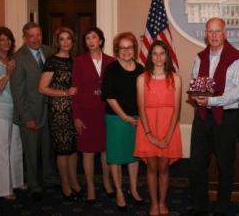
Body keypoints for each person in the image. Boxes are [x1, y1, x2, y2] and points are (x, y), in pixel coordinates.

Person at [185, 17, 239, 216]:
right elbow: (195, 81)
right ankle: (200, 206)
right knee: (196, 165)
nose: (213, 35)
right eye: (210, 31)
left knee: (225, 165)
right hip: (203, 117)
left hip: (226, 118)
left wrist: (211, 101)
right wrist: (196, 95)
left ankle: (221, 208)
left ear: (225, 33)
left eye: (217, 31)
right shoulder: (200, 57)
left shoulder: (236, 58)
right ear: (206, 34)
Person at [134, 40, 183, 216]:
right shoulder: (141, 78)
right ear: (150, 56)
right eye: (154, 53)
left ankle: (162, 202)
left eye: (162, 53)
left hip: (168, 126)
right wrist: (149, 134)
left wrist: (168, 136)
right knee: (151, 167)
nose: (158, 57)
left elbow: (177, 109)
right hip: (148, 126)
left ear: (167, 56)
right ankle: (153, 203)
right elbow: (141, 108)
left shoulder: (176, 78)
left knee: (164, 168)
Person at [10, 22, 55, 201]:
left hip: (49, 110)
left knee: (47, 148)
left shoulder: (50, 51)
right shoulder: (18, 58)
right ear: (24, 37)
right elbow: (17, 93)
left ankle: (48, 177)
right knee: (31, 152)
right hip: (30, 113)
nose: (36, 39)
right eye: (32, 36)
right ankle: (34, 185)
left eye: (39, 35)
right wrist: (26, 117)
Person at [101, 32, 144, 211]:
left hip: (137, 119)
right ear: (117, 50)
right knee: (117, 158)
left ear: (134, 49)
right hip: (116, 119)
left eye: (129, 47)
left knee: (134, 156)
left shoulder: (141, 69)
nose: (126, 51)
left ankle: (133, 189)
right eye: (122, 48)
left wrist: (140, 116)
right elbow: (109, 97)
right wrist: (125, 117)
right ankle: (119, 191)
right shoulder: (111, 69)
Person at [72, 27, 115, 202]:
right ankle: (90, 186)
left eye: (94, 37)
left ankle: (106, 182)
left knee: (106, 150)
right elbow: (75, 90)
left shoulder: (111, 61)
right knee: (88, 152)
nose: (91, 41)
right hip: (86, 112)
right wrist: (76, 116)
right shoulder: (79, 61)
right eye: (87, 38)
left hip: (106, 112)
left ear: (101, 41)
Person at [38, 27, 79, 201]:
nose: (65, 42)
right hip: (58, 110)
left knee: (73, 148)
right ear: (58, 42)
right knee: (63, 149)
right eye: (62, 39)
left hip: (75, 110)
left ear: (72, 41)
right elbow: (42, 88)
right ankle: (65, 184)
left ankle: (74, 180)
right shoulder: (52, 61)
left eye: (68, 38)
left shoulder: (76, 61)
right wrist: (64, 93)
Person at [0, 26, 24, 200]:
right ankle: (3, 189)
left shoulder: (12, 58)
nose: (6, 42)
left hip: (13, 110)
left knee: (16, 146)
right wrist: (7, 74)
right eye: (2, 39)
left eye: (8, 39)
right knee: (2, 150)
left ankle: (16, 181)